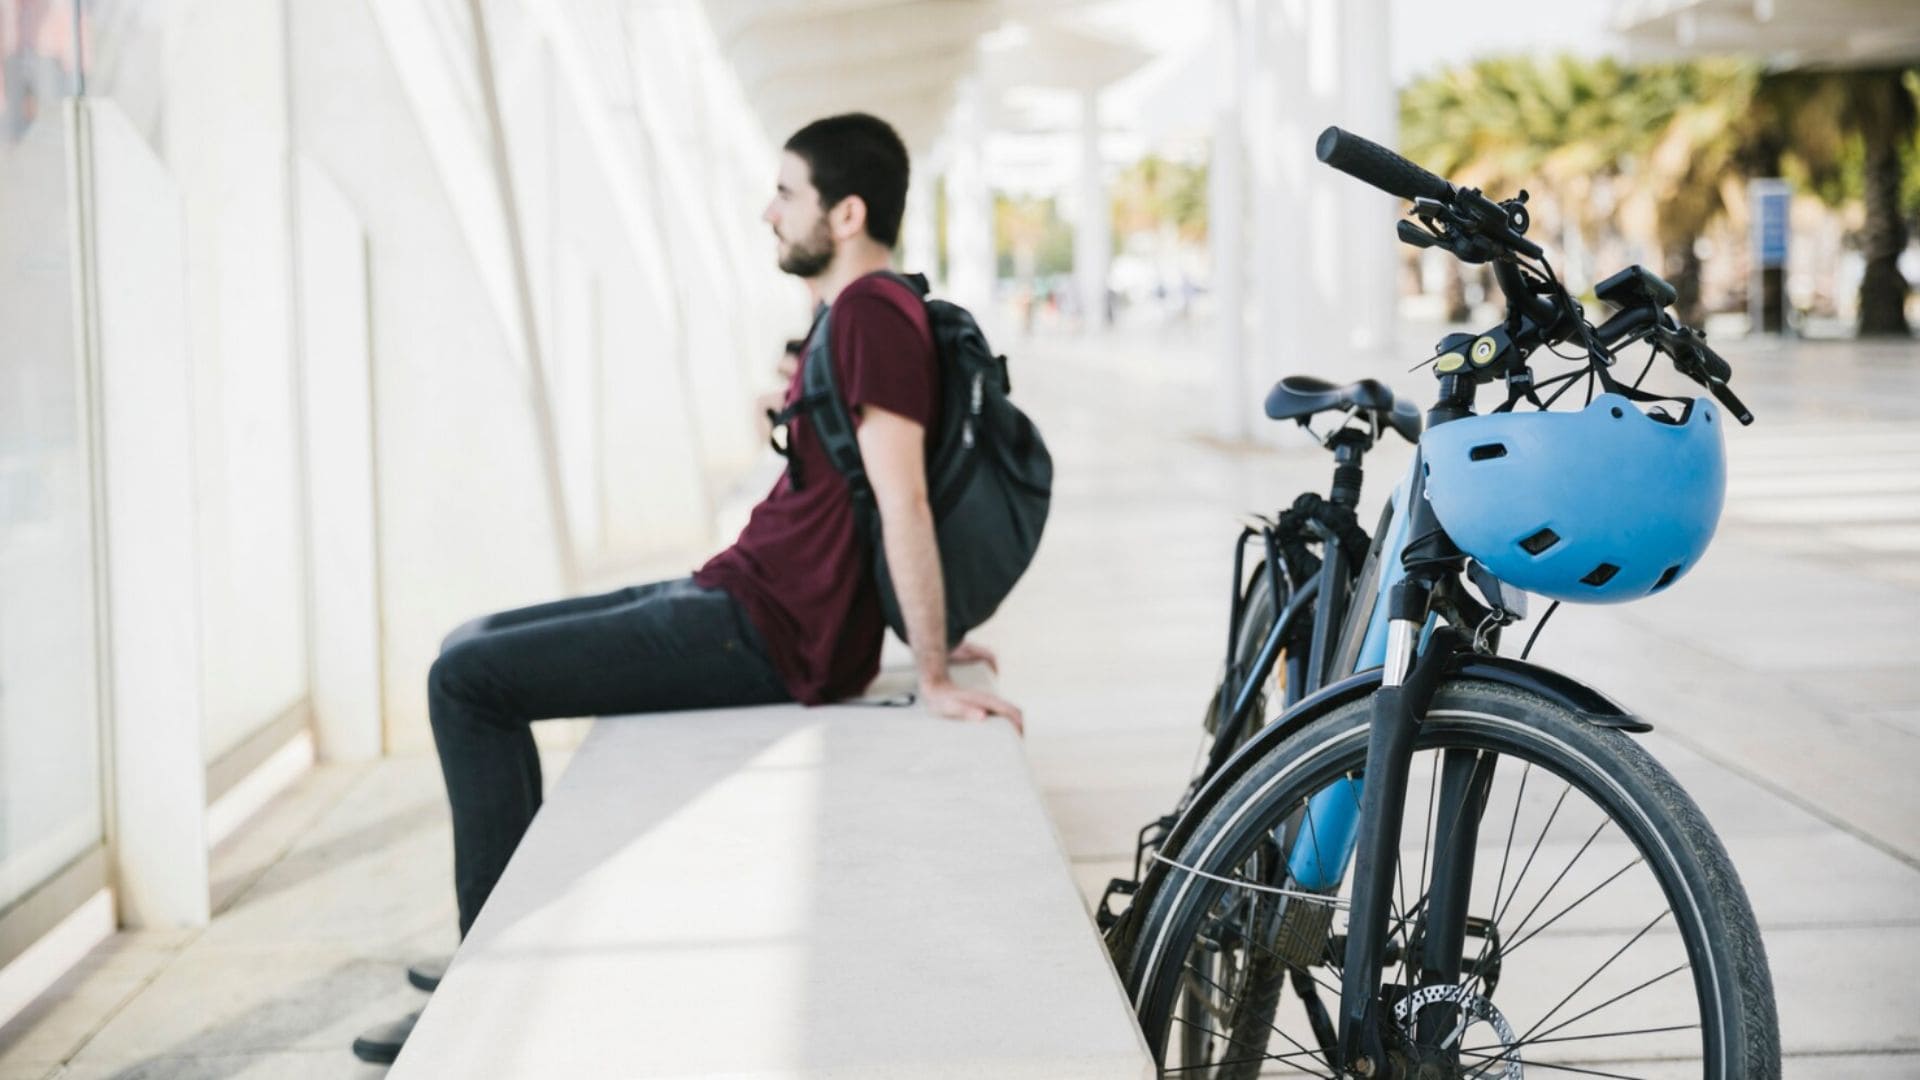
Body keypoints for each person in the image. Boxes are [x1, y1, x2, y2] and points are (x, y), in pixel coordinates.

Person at [351, 112, 1023, 1064]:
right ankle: (493, 939)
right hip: (742, 594)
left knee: (468, 684)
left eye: (787, 193)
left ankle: (486, 985)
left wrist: (934, 667)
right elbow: (854, 495)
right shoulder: (851, 314)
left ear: (846, 213)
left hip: (765, 632)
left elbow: (903, 498)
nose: (766, 212)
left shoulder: (872, 315)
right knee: (469, 641)